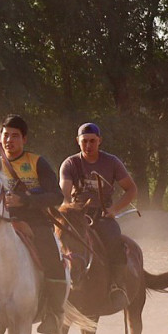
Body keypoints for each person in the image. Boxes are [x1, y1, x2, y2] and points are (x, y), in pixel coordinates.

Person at [0, 114, 67, 333]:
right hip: (1, 227)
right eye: (5, 135)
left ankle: (54, 313)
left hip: (35, 223)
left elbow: (56, 196)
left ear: (24, 139)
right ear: (0, 137)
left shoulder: (37, 162)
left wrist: (24, 200)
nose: (9, 140)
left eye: (15, 136)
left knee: (53, 260)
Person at [59, 122, 139, 310]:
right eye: (84, 141)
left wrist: (115, 209)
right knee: (58, 242)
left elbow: (131, 189)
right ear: (77, 141)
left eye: (92, 141)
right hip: (76, 216)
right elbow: (64, 191)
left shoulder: (112, 162)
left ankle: (116, 286)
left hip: (103, 215)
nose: (88, 145)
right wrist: (67, 206)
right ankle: (54, 287)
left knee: (114, 241)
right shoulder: (70, 163)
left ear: (99, 141)